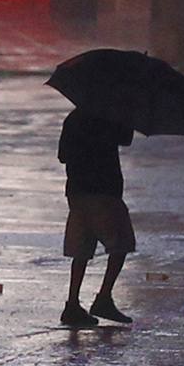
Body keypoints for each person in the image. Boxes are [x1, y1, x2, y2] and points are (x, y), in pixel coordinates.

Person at [57, 104, 136, 329]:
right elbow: (125, 138)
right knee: (120, 244)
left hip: (77, 191)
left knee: (81, 249)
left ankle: (72, 303)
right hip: (104, 190)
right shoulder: (108, 115)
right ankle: (103, 298)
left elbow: (63, 156)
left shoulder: (73, 118)